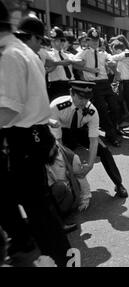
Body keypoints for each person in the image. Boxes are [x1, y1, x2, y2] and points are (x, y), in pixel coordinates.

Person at [0, 2, 72, 266]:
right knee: (26, 200)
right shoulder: (22, 51)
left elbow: (8, 109)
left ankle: (62, 259)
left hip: (23, 136)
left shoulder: (10, 54)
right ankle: (26, 240)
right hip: (33, 134)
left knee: (38, 208)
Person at [48, 80, 128, 198]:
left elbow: (94, 141)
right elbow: (59, 142)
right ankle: (66, 189)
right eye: (80, 98)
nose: (84, 102)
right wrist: (68, 165)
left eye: (87, 98)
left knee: (105, 151)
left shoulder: (92, 111)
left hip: (79, 130)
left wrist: (90, 165)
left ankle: (118, 184)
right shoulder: (56, 106)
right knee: (58, 157)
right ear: (72, 93)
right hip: (61, 131)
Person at [73, 28, 122, 147]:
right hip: (94, 84)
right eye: (92, 40)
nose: (95, 42)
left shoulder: (102, 52)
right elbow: (74, 64)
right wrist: (89, 70)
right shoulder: (83, 52)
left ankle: (112, 129)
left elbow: (111, 60)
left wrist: (113, 66)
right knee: (103, 110)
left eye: (97, 40)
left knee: (115, 107)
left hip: (105, 83)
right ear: (88, 41)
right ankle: (112, 136)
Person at [47, 27, 76, 101]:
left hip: (71, 84)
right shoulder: (48, 54)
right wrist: (58, 63)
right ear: (51, 42)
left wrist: (72, 62)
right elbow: (46, 66)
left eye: (62, 40)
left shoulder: (68, 54)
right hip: (57, 85)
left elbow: (78, 62)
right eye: (54, 41)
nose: (61, 43)